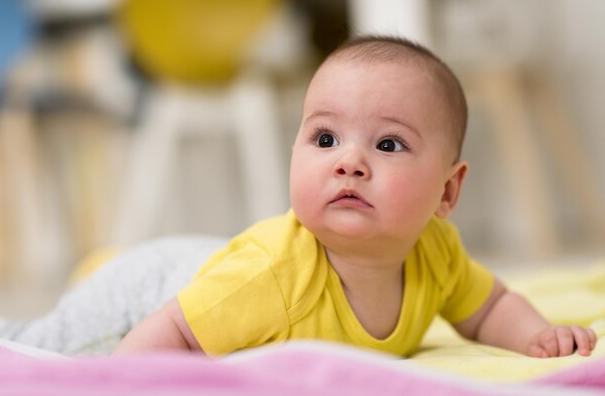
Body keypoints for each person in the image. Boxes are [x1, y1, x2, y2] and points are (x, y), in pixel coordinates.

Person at [115, 35, 597, 358]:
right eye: (325, 140)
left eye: (388, 144)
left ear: (447, 191)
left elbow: (489, 308)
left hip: (205, 281)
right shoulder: (275, 274)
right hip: (150, 295)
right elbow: (175, 331)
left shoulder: (436, 252)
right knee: (55, 342)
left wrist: (538, 336)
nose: (348, 162)